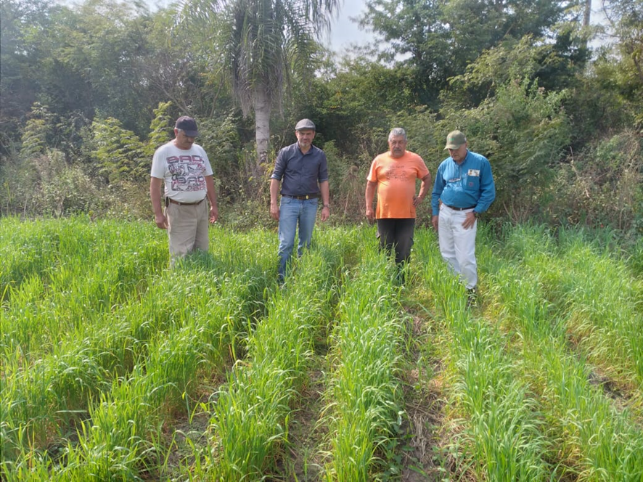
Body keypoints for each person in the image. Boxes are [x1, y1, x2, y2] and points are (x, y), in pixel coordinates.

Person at [431, 130, 495, 303]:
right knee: (447, 253)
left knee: (465, 256)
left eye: (456, 148)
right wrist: (436, 213)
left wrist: (476, 212)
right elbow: (437, 191)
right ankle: (456, 285)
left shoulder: (480, 162)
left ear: (465, 144)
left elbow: (489, 191)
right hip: (445, 212)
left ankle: (470, 291)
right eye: (450, 149)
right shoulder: (445, 165)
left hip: (466, 214)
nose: (453, 152)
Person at [150, 115, 218, 266]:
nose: (190, 140)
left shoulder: (199, 151)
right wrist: (158, 214)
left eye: (193, 136)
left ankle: (202, 284)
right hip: (178, 210)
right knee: (181, 254)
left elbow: (208, 178)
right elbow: (155, 185)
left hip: (201, 207)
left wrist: (214, 205)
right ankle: (179, 284)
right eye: (186, 136)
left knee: (202, 251)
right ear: (176, 132)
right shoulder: (163, 152)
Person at [270, 118, 330, 281]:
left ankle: (302, 278)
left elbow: (323, 180)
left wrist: (326, 205)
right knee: (286, 243)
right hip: (289, 202)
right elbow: (276, 178)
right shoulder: (286, 152)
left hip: (310, 203)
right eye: (302, 133)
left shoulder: (319, 155)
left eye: (308, 134)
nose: (305, 137)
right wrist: (274, 203)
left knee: (305, 243)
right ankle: (282, 279)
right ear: (296, 134)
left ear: (313, 135)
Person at [365, 127, 431, 274]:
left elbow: (426, 178)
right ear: (389, 143)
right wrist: (368, 207)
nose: (397, 145)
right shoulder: (379, 160)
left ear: (406, 143)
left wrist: (420, 197)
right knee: (384, 246)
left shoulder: (415, 159)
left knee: (404, 247)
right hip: (384, 213)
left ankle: (402, 278)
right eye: (394, 142)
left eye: (400, 142)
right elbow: (370, 184)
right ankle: (385, 277)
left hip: (407, 213)